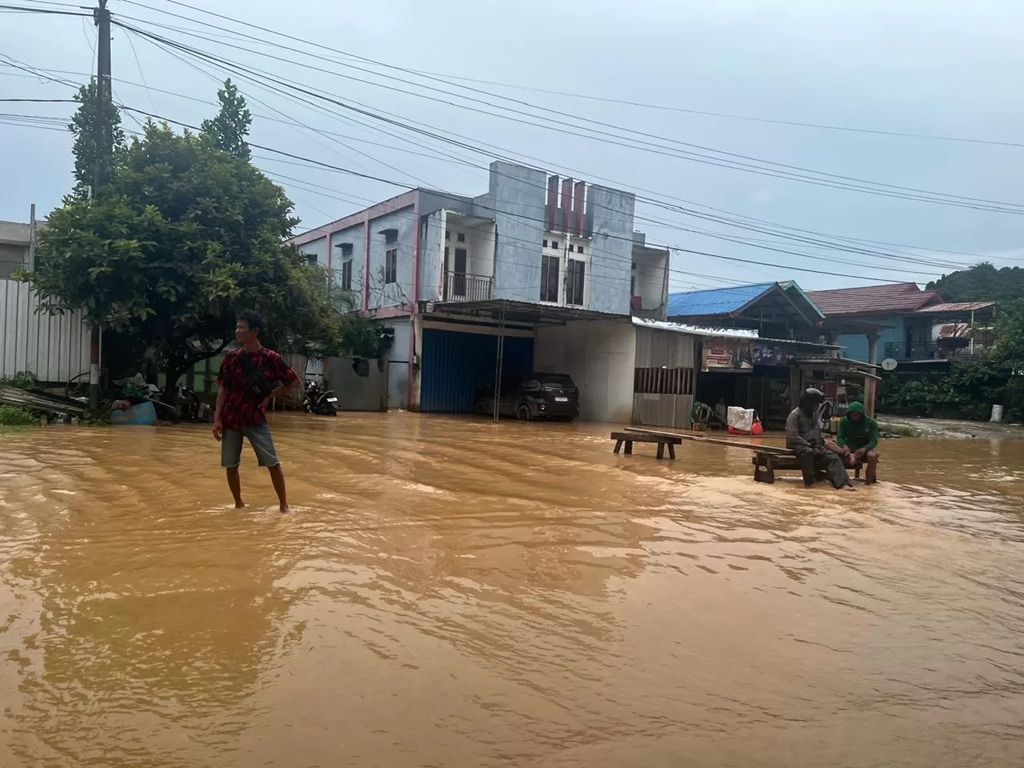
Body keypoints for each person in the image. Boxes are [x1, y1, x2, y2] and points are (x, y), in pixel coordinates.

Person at [213, 310, 299, 513]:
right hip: (232, 417)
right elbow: (223, 389)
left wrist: (270, 396)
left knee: (272, 462)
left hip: (255, 418)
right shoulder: (231, 358)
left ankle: (284, 506)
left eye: (242, 327)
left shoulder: (271, 358)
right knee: (230, 464)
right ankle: (238, 504)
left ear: (255, 331)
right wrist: (217, 419)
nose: (237, 331)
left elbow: (293, 382)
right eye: (237, 327)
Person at [785, 388, 854, 491]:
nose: (817, 407)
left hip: (814, 445)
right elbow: (793, 436)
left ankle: (842, 483)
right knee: (808, 452)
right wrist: (808, 444)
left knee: (833, 457)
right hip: (798, 445)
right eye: (815, 404)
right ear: (808, 403)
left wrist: (823, 443)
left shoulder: (814, 414)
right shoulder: (795, 415)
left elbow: (816, 431)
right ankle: (809, 483)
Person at [836, 401, 880, 484]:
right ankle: (840, 480)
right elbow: (840, 437)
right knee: (834, 453)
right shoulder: (844, 422)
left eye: (857, 414)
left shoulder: (871, 423)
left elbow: (874, 440)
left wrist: (864, 448)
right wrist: (844, 445)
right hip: (849, 447)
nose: (854, 416)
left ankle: (868, 483)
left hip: (865, 447)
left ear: (861, 414)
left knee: (872, 456)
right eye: (852, 414)